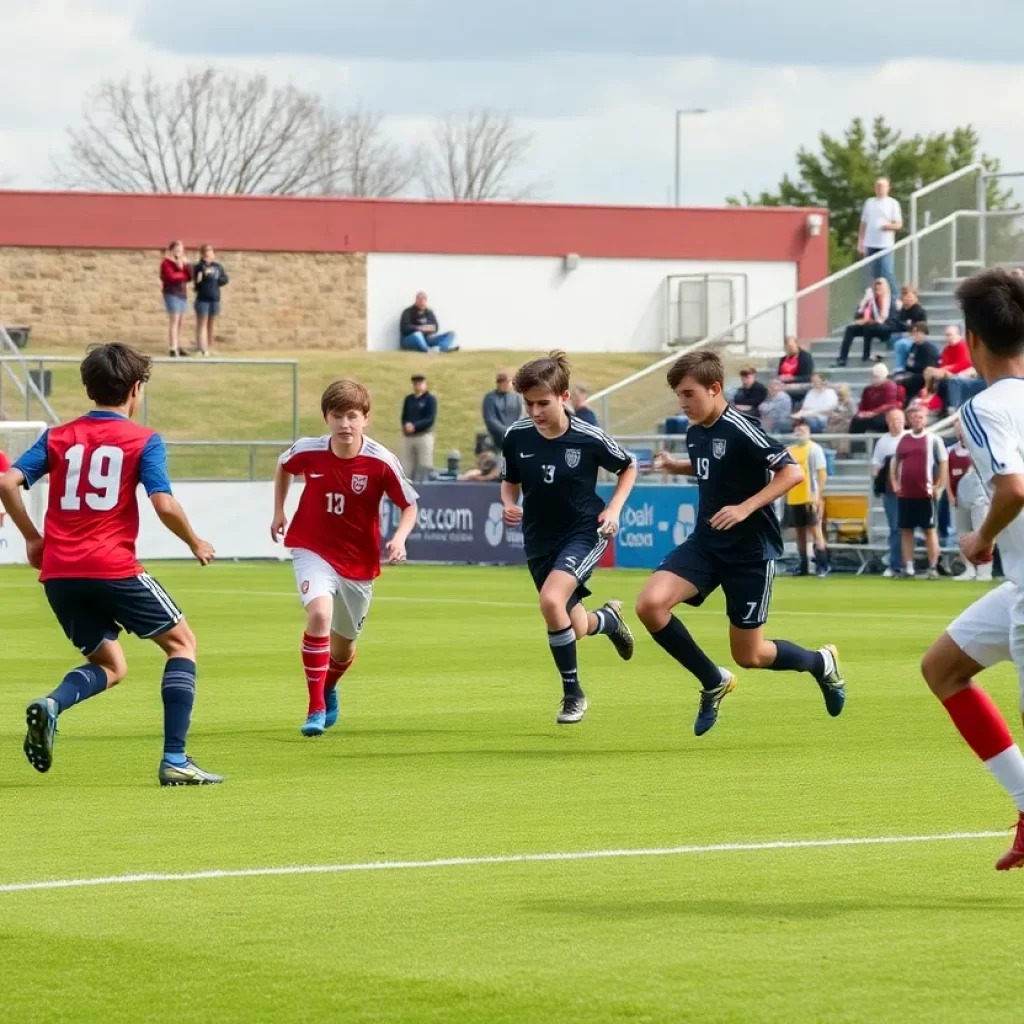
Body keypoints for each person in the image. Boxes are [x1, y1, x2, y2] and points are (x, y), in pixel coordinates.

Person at [0, 343, 220, 786]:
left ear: (88, 387)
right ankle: (175, 758)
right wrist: (194, 539)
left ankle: (52, 705)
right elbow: (162, 502)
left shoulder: (59, 436)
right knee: (182, 645)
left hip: (60, 573)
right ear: (136, 390)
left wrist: (32, 538)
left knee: (112, 666)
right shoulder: (143, 440)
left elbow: (7, 481)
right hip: (112, 566)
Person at [637, 350, 845, 736]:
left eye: (689, 394)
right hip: (706, 543)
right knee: (650, 605)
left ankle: (821, 664)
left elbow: (792, 472)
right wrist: (676, 465)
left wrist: (745, 507)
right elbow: (713, 466)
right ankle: (713, 680)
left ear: (715, 388)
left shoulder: (742, 427)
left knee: (750, 655)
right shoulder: (696, 429)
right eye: (678, 396)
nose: (683, 404)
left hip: (749, 553)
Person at [920, 267, 1024, 870]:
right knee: (943, 667)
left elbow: (1012, 488)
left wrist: (980, 539)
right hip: (1018, 587)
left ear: (971, 339)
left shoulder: (983, 410)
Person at [272, 380, 419, 736]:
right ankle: (315, 708)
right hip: (312, 548)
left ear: (365, 418)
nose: (344, 424)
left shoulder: (381, 461)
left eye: (352, 416)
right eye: (337, 416)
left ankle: (329, 686)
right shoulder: (308, 450)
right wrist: (279, 511)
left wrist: (399, 538)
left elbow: (409, 504)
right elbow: (284, 466)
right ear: (326, 418)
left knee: (342, 650)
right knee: (319, 614)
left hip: (358, 561)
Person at [501, 351, 638, 724]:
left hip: (583, 531)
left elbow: (628, 465)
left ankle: (572, 695)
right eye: (528, 403)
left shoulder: (588, 437)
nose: (534, 411)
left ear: (563, 397)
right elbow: (510, 481)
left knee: (550, 601)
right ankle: (608, 620)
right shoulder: (517, 436)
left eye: (543, 403)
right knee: (574, 626)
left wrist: (613, 509)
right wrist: (508, 503)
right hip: (538, 538)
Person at [891, 403, 948, 579]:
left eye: (920, 417)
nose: (917, 420)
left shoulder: (933, 440)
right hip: (906, 494)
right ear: (908, 420)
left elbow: (943, 463)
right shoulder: (903, 439)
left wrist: (939, 486)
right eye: (914, 417)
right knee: (906, 530)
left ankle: (932, 567)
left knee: (929, 530)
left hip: (926, 493)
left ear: (926, 419)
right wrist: (894, 482)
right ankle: (908, 567)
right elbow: (895, 461)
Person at [948, 418, 992, 583]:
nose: (960, 430)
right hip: (961, 497)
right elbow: (948, 474)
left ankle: (984, 570)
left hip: (979, 497)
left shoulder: (981, 448)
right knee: (963, 533)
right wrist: (951, 495)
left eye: (962, 427)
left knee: (981, 532)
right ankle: (969, 568)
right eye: (957, 427)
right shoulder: (952, 450)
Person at [785, 421, 830, 578]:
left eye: (803, 429)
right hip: (793, 497)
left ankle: (822, 565)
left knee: (816, 530)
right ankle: (803, 565)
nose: (800, 432)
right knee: (799, 532)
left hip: (810, 497)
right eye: (797, 429)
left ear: (809, 431)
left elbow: (822, 474)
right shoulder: (789, 451)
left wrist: (817, 495)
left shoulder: (814, 449)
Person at [870, 408, 907, 577]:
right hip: (891, 492)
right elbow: (876, 465)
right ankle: (896, 564)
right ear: (888, 422)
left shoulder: (909, 438)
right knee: (895, 527)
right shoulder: (883, 442)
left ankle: (922, 564)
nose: (896, 423)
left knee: (914, 528)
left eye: (899, 419)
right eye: (893, 420)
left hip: (913, 490)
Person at [836, 278, 901, 366]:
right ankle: (842, 358)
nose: (878, 291)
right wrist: (864, 301)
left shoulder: (892, 301)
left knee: (869, 326)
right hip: (870, 326)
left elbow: (892, 320)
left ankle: (866, 356)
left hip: (886, 328)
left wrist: (876, 321)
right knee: (850, 329)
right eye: (876, 289)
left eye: (880, 288)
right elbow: (858, 315)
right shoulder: (871, 300)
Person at [858, 176, 902, 291]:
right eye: (877, 186)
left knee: (886, 273)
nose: (879, 188)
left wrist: (888, 227)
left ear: (888, 188)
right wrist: (860, 241)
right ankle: (873, 301)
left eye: (882, 186)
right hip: (870, 243)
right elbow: (864, 223)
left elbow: (898, 224)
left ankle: (894, 298)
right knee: (871, 274)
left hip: (885, 244)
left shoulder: (892, 203)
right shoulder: (869, 202)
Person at [925, 325, 974, 411]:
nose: (948, 337)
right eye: (947, 335)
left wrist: (945, 369)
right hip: (949, 372)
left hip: (962, 373)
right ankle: (928, 394)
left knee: (938, 376)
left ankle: (932, 398)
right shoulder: (947, 348)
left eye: (950, 335)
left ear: (958, 335)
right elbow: (943, 363)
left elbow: (963, 364)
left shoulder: (962, 346)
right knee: (929, 371)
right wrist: (942, 369)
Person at [192, 244, 228, 357]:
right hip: (203, 298)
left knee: (211, 323)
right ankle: (202, 348)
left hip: (215, 298)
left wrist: (216, 279)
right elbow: (197, 283)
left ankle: (210, 346)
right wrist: (204, 276)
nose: (210, 255)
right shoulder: (199, 266)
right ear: (203, 254)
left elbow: (225, 279)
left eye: (211, 252)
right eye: (207, 253)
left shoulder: (217, 266)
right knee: (202, 323)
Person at [892, 322, 940, 407]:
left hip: (922, 377)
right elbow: (909, 363)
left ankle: (904, 404)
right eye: (913, 333)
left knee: (900, 381)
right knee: (892, 377)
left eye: (917, 332)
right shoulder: (914, 346)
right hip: (911, 373)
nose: (914, 335)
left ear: (924, 334)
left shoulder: (929, 349)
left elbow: (929, 371)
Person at [400, 373, 437, 482]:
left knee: (423, 466)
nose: (418, 386)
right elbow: (404, 416)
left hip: (423, 436)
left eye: (420, 383)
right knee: (408, 466)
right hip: (409, 437)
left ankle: (423, 490)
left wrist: (415, 426)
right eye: (416, 384)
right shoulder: (409, 399)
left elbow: (430, 419)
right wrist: (406, 425)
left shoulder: (429, 399)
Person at [160, 240, 192, 358]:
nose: (179, 251)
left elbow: (190, 277)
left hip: (182, 294)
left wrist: (184, 266)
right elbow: (170, 277)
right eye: (177, 249)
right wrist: (182, 274)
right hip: (171, 293)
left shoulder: (183, 263)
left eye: (181, 249)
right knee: (175, 319)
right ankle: (173, 347)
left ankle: (179, 345)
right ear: (172, 250)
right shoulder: (166, 262)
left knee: (181, 322)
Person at [850, 362, 901, 435]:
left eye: (877, 376)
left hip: (884, 414)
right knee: (856, 419)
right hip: (870, 414)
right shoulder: (868, 389)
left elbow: (890, 404)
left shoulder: (890, 387)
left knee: (878, 420)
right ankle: (855, 444)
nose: (874, 378)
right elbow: (863, 405)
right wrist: (862, 413)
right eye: (873, 376)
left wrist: (873, 413)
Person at [482, 370, 523, 451]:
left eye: (509, 382)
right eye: (505, 382)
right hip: (497, 438)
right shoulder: (490, 398)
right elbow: (490, 419)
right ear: (498, 383)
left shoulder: (517, 398)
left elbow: (522, 415)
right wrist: (505, 431)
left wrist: (515, 429)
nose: (507, 385)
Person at [890, 286, 929, 370]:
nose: (908, 299)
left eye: (910, 297)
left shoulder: (918, 310)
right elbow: (896, 323)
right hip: (903, 335)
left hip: (915, 336)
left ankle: (901, 367)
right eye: (906, 296)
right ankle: (901, 366)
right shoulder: (903, 310)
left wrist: (905, 327)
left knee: (900, 344)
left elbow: (916, 328)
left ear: (916, 298)